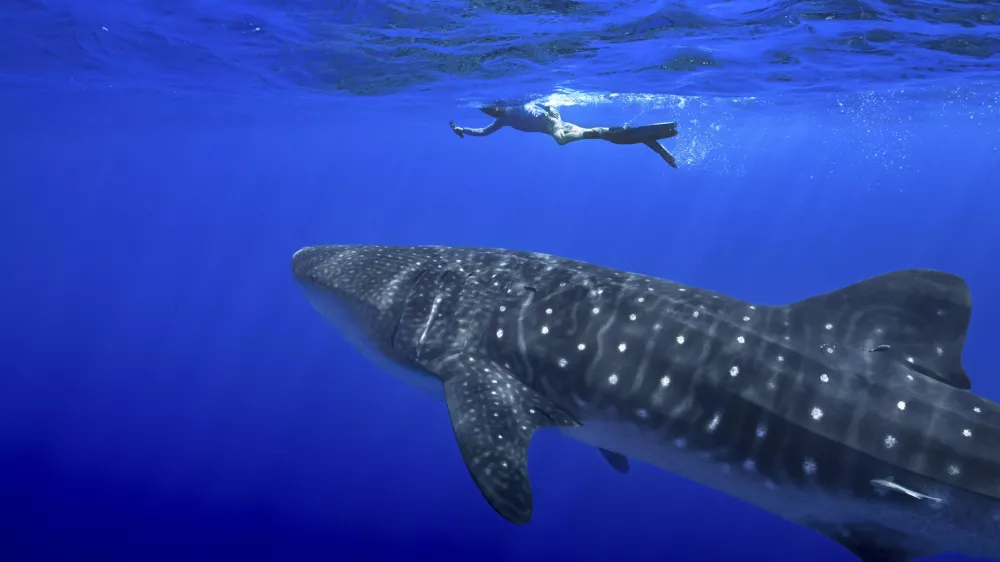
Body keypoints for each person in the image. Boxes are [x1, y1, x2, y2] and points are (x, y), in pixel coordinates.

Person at [449, 100, 679, 168]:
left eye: (492, 108)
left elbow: (547, 103)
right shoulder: (502, 120)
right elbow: (483, 132)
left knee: (560, 141)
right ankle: (652, 143)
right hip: (560, 127)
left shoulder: (517, 104)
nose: (492, 112)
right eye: (488, 111)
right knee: (614, 138)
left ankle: (607, 131)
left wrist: (552, 109)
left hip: (557, 126)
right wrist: (463, 130)